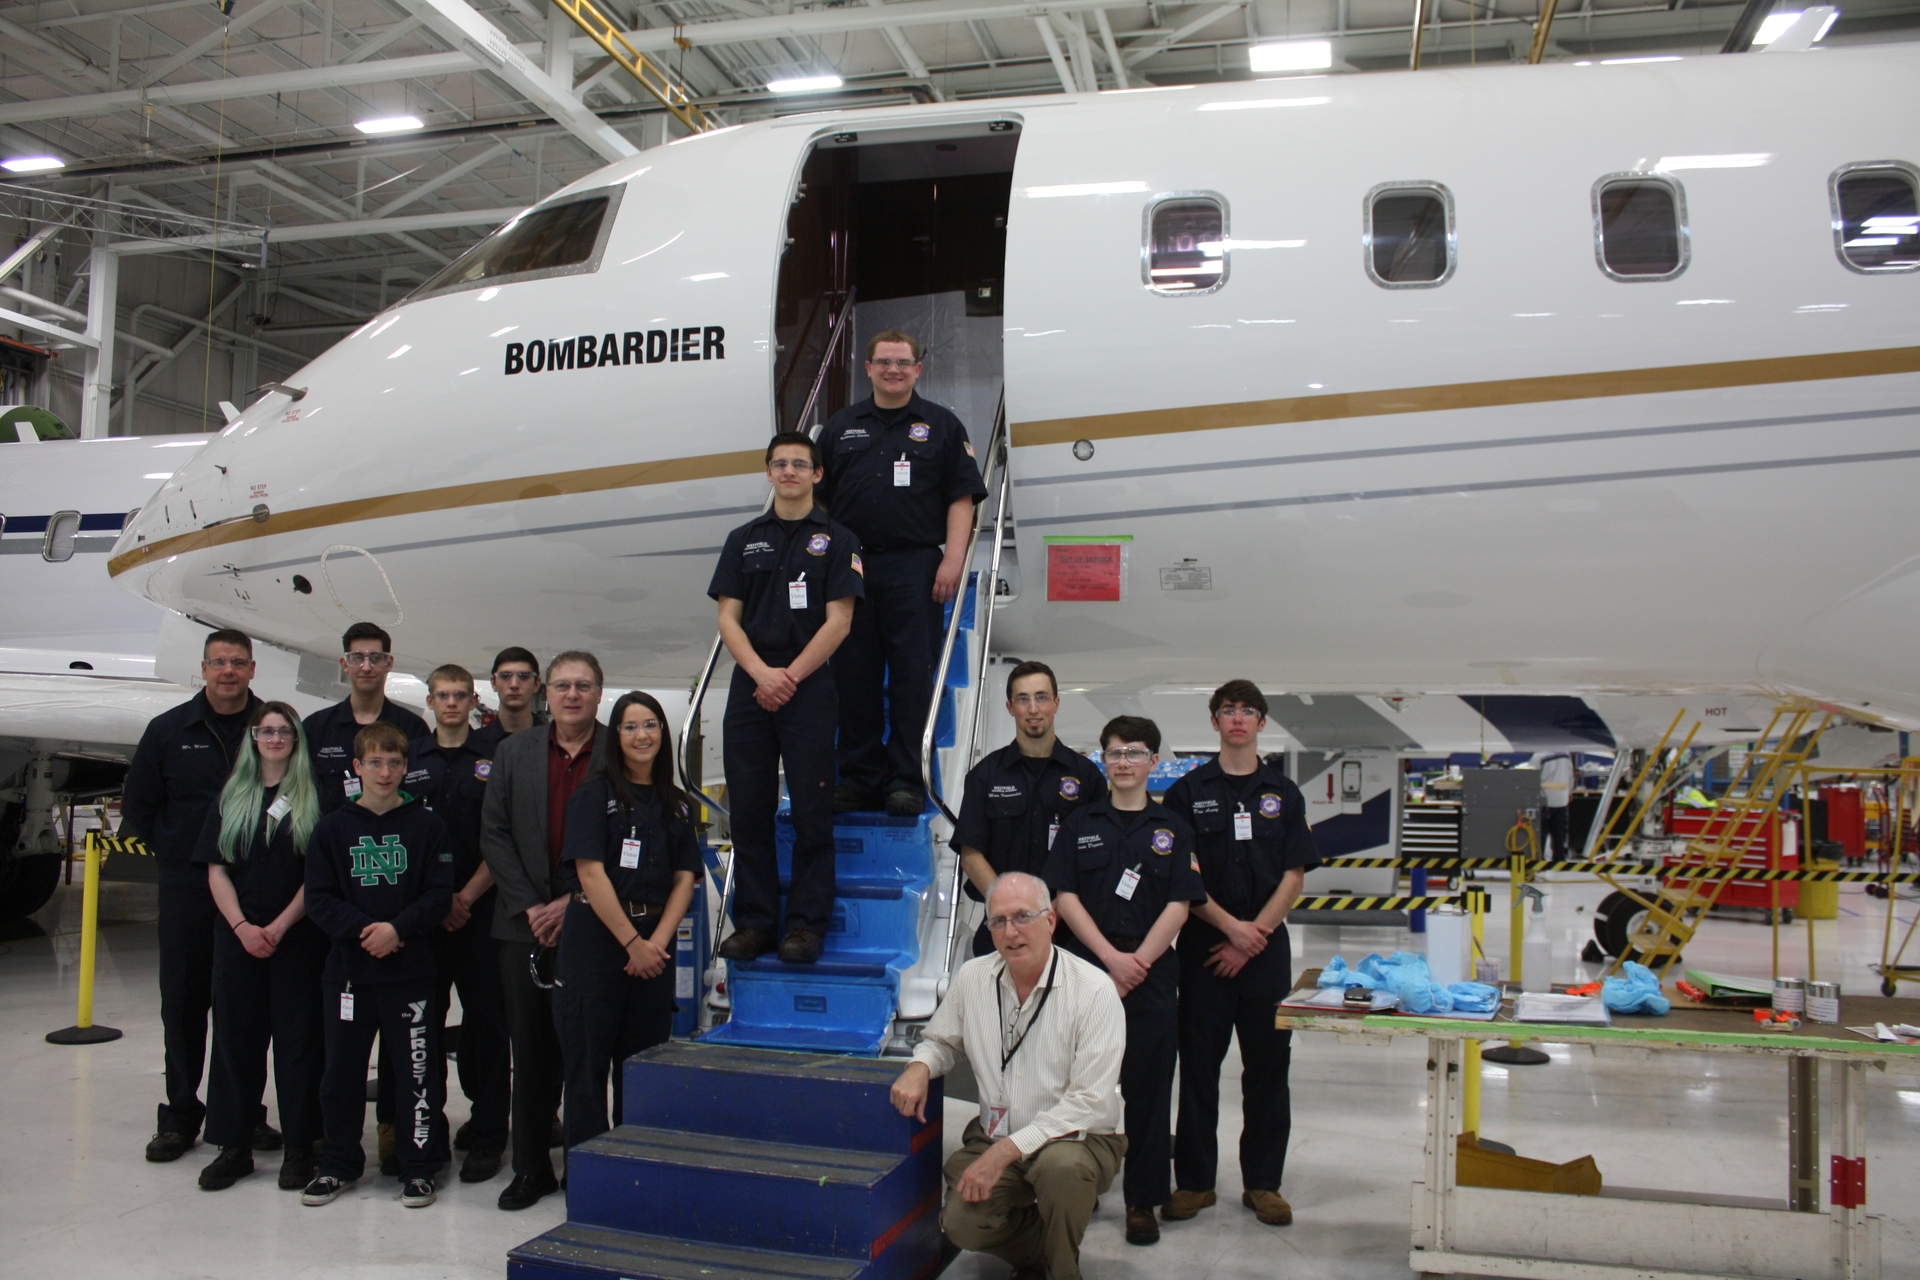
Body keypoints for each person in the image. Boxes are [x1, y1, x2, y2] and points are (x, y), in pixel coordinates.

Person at [888, 873, 1126, 1280]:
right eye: (998, 921)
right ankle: (1044, 1250)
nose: (1010, 932)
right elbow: (942, 1041)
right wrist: (919, 1066)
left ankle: (1063, 1273)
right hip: (998, 1132)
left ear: (1050, 921)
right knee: (960, 1222)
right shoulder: (973, 977)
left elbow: (1088, 1101)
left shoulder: (1094, 991)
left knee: (1062, 1170)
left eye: (1022, 917)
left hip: (1079, 1137)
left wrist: (1004, 1152)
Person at [1043, 715, 1207, 1246]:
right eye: (1114, 753)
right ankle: (1077, 1185)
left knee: (1149, 1092)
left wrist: (1135, 963)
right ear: (1103, 760)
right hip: (1086, 970)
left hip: (1151, 974)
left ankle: (1142, 1200)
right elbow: (1064, 897)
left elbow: (1181, 904)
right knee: (1074, 1085)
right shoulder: (1079, 824)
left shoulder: (1174, 829)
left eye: (1134, 753)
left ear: (1153, 762)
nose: (1123, 762)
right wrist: (1110, 959)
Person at [1161, 682, 1318, 1230]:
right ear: (1214, 721)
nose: (1237, 719)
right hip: (1204, 952)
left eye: (1248, 711)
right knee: (1198, 1070)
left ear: (1261, 722)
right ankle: (1195, 1183)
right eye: (1227, 710)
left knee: (1269, 1071)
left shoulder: (1284, 793)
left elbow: (1294, 875)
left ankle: (1263, 1184)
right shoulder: (1186, 793)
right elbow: (1183, 877)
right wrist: (1232, 931)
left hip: (1266, 953)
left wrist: (1254, 936)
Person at [708, 431, 863, 965]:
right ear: (769, 472)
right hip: (751, 684)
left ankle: (805, 926)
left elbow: (839, 621)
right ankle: (754, 923)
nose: (789, 472)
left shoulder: (839, 539)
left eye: (800, 464)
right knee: (749, 810)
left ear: (817, 474)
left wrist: (788, 678)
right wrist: (761, 674)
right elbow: (727, 618)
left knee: (812, 813)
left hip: (808, 683)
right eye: (780, 464)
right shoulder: (742, 539)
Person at [122, 627, 275, 1163]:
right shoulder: (168, 730)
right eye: (219, 662)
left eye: (238, 662)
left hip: (253, 890)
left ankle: (243, 1115)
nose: (228, 671)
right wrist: (177, 854)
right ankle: (181, 1115)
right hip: (188, 892)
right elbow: (139, 805)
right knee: (184, 1004)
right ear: (204, 669)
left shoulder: (273, 728)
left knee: (245, 1009)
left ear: (252, 669)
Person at [819, 331, 986, 817]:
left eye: (902, 362)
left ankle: (907, 781)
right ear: (868, 368)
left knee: (913, 677)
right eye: (884, 362)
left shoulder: (942, 426)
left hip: (915, 566)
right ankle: (859, 778)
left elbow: (961, 498)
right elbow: (819, 501)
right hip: (850, 567)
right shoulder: (840, 427)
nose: (893, 370)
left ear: (918, 368)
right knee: (854, 677)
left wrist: (953, 559)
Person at [300, 722, 454, 1209]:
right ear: (357, 767)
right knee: (341, 1074)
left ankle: (418, 1166)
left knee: (415, 1074)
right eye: (374, 763)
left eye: (393, 763)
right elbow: (319, 898)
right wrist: (366, 930)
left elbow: (439, 895)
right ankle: (338, 1164)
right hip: (349, 972)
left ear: (406, 768)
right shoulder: (332, 828)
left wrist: (397, 930)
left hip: (411, 973)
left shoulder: (428, 826)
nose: (384, 772)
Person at [480, 650, 610, 1210]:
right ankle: (531, 1168)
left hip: (596, 923)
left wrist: (572, 902)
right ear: (545, 693)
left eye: (583, 685)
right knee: (529, 1052)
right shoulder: (513, 751)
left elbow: (628, 841)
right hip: (522, 925)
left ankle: (587, 1166)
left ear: (599, 692)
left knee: (586, 1051)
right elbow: (494, 833)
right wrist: (533, 906)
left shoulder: (620, 750)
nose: (572, 695)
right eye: (562, 685)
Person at [554, 691, 701, 1149]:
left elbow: (685, 879)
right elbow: (589, 873)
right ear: (615, 736)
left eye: (650, 725)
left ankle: (633, 1165)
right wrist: (632, 944)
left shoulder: (677, 803)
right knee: (587, 1067)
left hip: (654, 949)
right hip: (597, 942)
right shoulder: (593, 795)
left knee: (642, 1067)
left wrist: (654, 944)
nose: (642, 735)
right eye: (630, 726)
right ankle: (587, 1170)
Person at [192, 702, 328, 1193]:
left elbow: (319, 875)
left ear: (296, 739)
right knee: (236, 1043)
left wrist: (279, 926)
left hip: (297, 939)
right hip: (239, 941)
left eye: (284, 731)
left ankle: (300, 1147)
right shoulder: (233, 796)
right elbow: (217, 870)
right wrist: (243, 927)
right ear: (254, 739)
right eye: (266, 731)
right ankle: (234, 1146)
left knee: (299, 1046)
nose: (274, 739)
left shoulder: (315, 798)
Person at [405, 664, 510, 1185]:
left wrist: (464, 897)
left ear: (473, 701)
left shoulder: (495, 758)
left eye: (460, 695)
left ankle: (488, 1135)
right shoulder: (409, 759)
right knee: (421, 1027)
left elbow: (503, 836)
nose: (451, 703)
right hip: (422, 919)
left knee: (486, 1026)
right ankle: (427, 1133)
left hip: (479, 912)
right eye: (442, 695)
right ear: (429, 701)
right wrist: (434, 903)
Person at [951, 660, 1107, 956]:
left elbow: (1098, 859)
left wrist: (1052, 913)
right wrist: (1010, 912)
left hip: (1068, 932)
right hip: (1001, 932)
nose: (1033, 709)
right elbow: (971, 855)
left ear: (1056, 703)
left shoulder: (1087, 777)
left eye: (1041, 697)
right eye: (1023, 699)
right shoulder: (986, 775)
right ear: (1010, 707)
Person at [303, 621, 430, 816]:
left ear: (389, 663)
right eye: (357, 658)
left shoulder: (413, 729)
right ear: (345, 664)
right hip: (332, 835)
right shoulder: (316, 728)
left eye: (376, 658)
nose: (366, 667)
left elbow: (420, 793)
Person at [486, 647, 546, 736]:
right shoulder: (474, 742)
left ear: (536, 684)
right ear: (494, 683)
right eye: (505, 676)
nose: (514, 685)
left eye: (524, 677)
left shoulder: (553, 742)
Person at [1530, 751, 1575, 860]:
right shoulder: (1566, 754)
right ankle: (1559, 858)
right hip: (1562, 798)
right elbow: (1570, 775)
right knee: (1558, 832)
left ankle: (1539, 858)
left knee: (1541, 832)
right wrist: (1569, 792)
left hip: (1545, 799)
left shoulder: (1539, 755)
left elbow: (1531, 777)